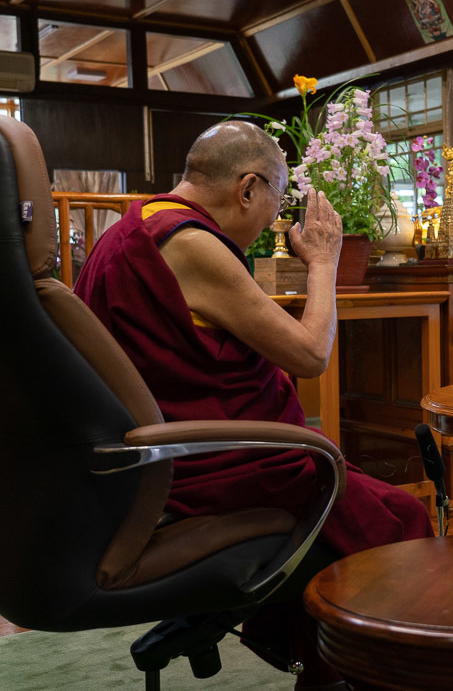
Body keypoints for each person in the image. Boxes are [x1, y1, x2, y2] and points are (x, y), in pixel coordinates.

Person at [74, 121, 433, 689]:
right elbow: (311, 354)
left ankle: (326, 670)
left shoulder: (133, 227)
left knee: (362, 500)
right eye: (276, 201)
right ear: (247, 188)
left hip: (156, 456)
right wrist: (322, 262)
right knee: (401, 517)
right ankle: (367, 676)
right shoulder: (191, 245)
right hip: (208, 463)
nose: (275, 221)